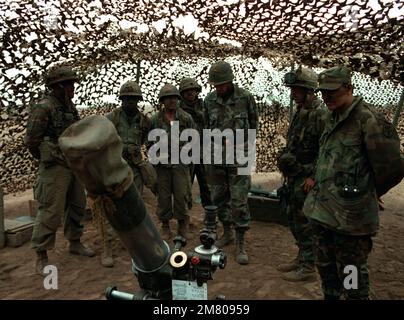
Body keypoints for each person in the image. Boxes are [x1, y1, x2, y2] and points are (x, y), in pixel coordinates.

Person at [303, 65, 404, 299]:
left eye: (332, 91)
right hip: (323, 213)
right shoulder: (331, 116)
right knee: (327, 271)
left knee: (351, 277)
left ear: (349, 88)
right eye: (323, 92)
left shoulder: (369, 121)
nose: (326, 97)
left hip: (351, 221)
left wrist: (368, 191)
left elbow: (393, 168)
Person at [25, 65, 95, 276]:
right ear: (58, 86)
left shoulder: (69, 107)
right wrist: (49, 158)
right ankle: (42, 255)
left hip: (72, 165)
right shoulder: (44, 108)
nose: (73, 87)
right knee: (50, 210)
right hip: (54, 168)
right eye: (69, 84)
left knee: (77, 205)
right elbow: (32, 140)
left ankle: (74, 241)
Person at [204, 61, 258, 265]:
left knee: (239, 201)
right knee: (219, 198)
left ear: (230, 80)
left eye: (222, 84)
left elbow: (253, 125)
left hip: (239, 158)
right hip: (217, 157)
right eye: (216, 85)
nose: (219, 88)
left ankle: (240, 242)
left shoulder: (245, 98)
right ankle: (227, 232)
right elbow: (206, 128)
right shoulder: (209, 100)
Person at [276, 66, 326, 281]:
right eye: (292, 89)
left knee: (305, 221)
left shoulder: (320, 115)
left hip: (306, 177)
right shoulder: (301, 110)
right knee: (293, 217)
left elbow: (325, 150)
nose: (292, 93)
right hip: (295, 175)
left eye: (296, 89)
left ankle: (308, 267)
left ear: (309, 91)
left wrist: (313, 176)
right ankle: (302, 256)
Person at [150, 84, 196, 240]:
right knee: (163, 197)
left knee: (182, 195)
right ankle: (165, 226)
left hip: (180, 164)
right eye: (168, 98)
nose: (172, 101)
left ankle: (183, 225)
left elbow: (193, 141)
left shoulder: (185, 118)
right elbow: (150, 143)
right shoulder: (155, 120)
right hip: (162, 166)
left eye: (175, 98)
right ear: (162, 101)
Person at [178, 77, 212, 209]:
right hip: (186, 153)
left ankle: (210, 217)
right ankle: (184, 217)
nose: (190, 93)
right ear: (182, 93)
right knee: (185, 186)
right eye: (187, 91)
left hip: (204, 152)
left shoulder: (204, 106)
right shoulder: (178, 109)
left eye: (193, 90)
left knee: (207, 186)